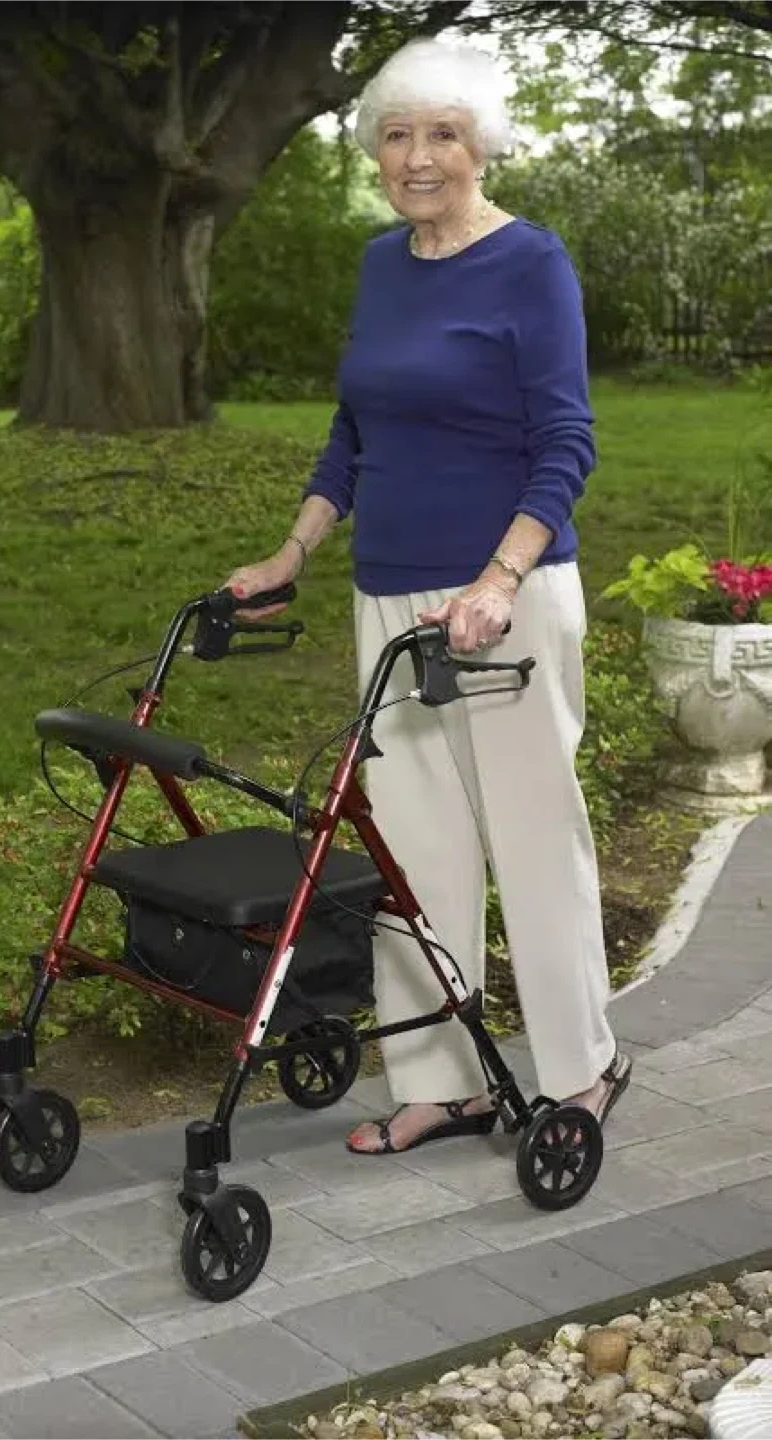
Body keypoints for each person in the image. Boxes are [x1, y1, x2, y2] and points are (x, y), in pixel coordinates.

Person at [225, 37, 632, 1157]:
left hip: (506, 600)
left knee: (535, 840)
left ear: (479, 145)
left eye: (442, 134)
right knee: (413, 852)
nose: (417, 157)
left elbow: (566, 440)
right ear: (375, 150)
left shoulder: (531, 262)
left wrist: (499, 579)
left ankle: (581, 1070)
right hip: (390, 598)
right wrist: (292, 552)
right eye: (397, 135)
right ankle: (444, 1083)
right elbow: (354, 432)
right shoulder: (382, 264)